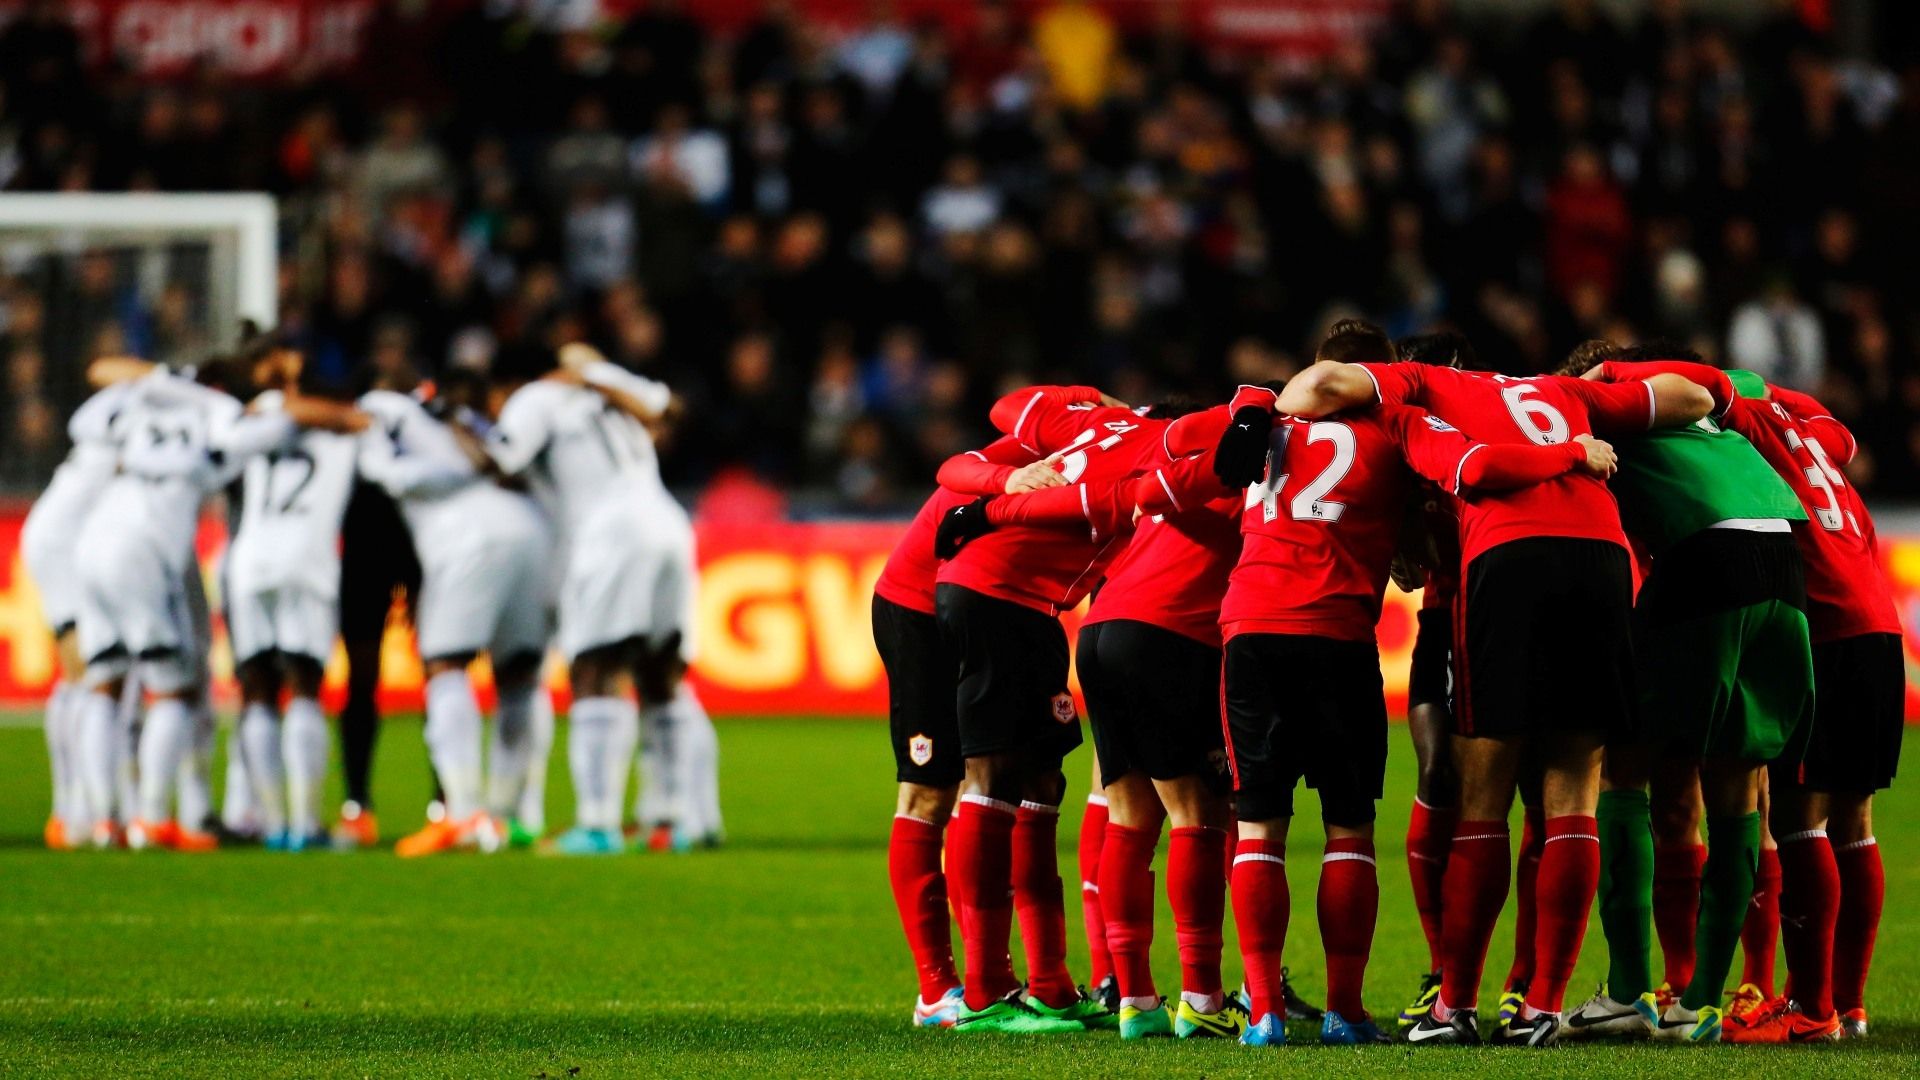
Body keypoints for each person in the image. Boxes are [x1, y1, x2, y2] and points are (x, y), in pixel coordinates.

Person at [1276, 329, 1712, 1045]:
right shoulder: (1563, 391)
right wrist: (1613, 383)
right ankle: (1542, 1004)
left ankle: (1455, 1003)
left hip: (1508, 558)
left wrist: (1276, 400)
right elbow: (1693, 396)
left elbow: (1319, 389)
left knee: (1482, 792)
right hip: (1604, 560)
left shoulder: (1423, 391)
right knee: (1574, 790)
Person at [1553, 341, 1811, 1044]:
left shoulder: (1600, 402)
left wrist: (1595, 385)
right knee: (1736, 783)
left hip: (1704, 556)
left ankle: (1631, 991)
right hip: (1785, 559)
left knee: (1623, 768)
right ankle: (1699, 1004)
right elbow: (1752, 382)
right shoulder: (1718, 395)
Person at [1647, 358, 1902, 1043]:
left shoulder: (1750, 427)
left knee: (1797, 818)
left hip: (1819, 626)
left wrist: (1619, 370)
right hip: (1879, 628)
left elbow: (1706, 383)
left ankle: (1811, 1010)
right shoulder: (1818, 441)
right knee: (1856, 820)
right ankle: (1846, 1005)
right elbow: (1842, 436)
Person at [931, 382, 1170, 1034]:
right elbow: (957, 462)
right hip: (992, 593)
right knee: (993, 777)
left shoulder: (1094, 433)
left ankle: (1051, 987)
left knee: (1042, 781)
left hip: (1035, 607)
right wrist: (1003, 485)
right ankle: (982, 995)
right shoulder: (1134, 443)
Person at [73, 358, 364, 851]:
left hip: (97, 538)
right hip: (157, 544)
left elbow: (83, 418)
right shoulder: (227, 414)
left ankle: (100, 820)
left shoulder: (143, 403)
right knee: (180, 688)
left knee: (104, 680)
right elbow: (288, 424)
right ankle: (153, 820)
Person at [487, 343, 718, 854]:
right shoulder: (611, 396)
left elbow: (500, 457)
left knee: (594, 671)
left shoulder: (533, 398)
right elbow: (667, 408)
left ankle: (597, 824)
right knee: (663, 676)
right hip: (669, 524)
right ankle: (667, 821)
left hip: (610, 533)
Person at [872, 440, 1062, 1028]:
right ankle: (936, 991)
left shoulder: (1098, 446)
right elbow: (954, 466)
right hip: (920, 608)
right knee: (931, 790)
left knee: (1020, 776)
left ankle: (1018, 978)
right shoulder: (1038, 440)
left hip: (999, 607)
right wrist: (1008, 479)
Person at [357, 373, 553, 857]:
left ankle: (463, 814)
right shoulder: (464, 422)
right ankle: (513, 818)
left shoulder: (383, 415)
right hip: (531, 529)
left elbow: (383, 471)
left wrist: (435, 476)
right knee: (522, 674)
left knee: (445, 667)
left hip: (466, 537)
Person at [224, 334, 362, 851]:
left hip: (250, 562)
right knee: (303, 686)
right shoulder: (342, 426)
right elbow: (356, 421)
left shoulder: (256, 419)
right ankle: (303, 824)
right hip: (305, 561)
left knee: (258, 690)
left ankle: (277, 823)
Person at [21, 377, 140, 848]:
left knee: (83, 678)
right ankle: (75, 811)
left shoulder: (101, 421)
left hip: (56, 535)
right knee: (89, 677)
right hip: (65, 545)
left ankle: (73, 809)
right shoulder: (142, 425)